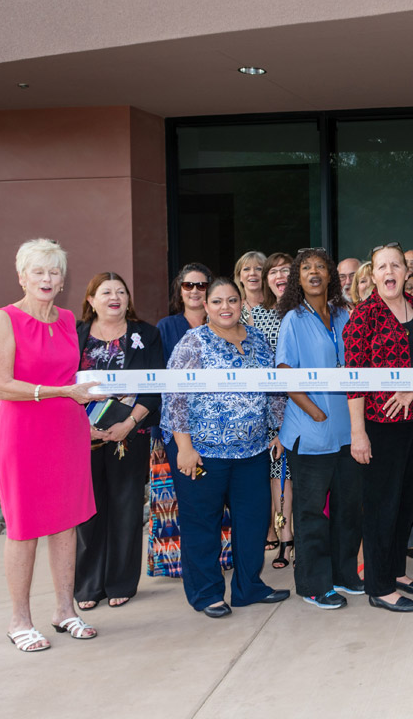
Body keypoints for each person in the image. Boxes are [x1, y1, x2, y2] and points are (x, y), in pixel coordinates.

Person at [0, 239, 99, 651]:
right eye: (39, 272)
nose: (47, 279)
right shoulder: (4, 319)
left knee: (67, 521)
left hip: (66, 429)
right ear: (22, 276)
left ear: (63, 279)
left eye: (54, 272)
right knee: (24, 527)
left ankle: (65, 610)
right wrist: (62, 391)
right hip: (23, 431)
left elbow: (71, 373)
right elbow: (2, 386)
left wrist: (87, 391)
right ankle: (19, 620)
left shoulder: (68, 319)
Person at [161, 277, 289, 617]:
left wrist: (276, 429)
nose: (226, 307)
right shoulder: (194, 342)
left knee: (252, 522)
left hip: (252, 452)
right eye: (217, 301)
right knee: (202, 523)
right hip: (203, 452)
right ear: (206, 306)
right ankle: (207, 594)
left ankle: (249, 587)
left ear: (241, 304)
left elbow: (273, 387)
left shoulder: (259, 340)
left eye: (232, 300)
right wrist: (184, 448)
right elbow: (175, 397)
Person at [344, 242, 413, 613]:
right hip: (379, 424)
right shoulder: (363, 316)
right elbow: (353, 379)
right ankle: (379, 586)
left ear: (405, 271)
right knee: (382, 504)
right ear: (373, 273)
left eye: (395, 266)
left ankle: (396, 570)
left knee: (406, 500)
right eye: (381, 266)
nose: (389, 272)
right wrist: (358, 432)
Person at [275, 248, 363, 609]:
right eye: (306, 269)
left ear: (331, 277)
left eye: (321, 268)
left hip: (347, 432)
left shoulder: (345, 314)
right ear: (298, 278)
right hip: (310, 432)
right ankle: (314, 584)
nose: (314, 273)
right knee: (311, 513)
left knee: (347, 508)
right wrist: (315, 412)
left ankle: (344, 574)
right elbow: (284, 373)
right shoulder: (293, 320)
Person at [75, 272, 164, 611]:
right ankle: (88, 585)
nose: (115, 297)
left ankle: (121, 582)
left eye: (121, 291)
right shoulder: (76, 335)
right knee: (88, 511)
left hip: (131, 432)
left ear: (128, 299)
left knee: (126, 509)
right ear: (91, 300)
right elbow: (63, 384)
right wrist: (84, 428)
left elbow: (156, 385)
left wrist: (129, 422)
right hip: (84, 436)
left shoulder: (147, 334)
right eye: (106, 291)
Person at [150, 263, 233, 578]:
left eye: (202, 285)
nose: (196, 291)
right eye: (189, 285)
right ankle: (181, 565)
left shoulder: (228, 322)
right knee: (182, 502)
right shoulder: (167, 327)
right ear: (179, 290)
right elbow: (160, 381)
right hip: (176, 431)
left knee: (220, 500)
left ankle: (223, 559)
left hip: (221, 430)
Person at [249, 252, 294, 565]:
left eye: (286, 271)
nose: (280, 276)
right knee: (274, 474)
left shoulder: (305, 311)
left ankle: (291, 537)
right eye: (273, 272)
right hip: (265, 407)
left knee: (292, 475)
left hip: (300, 404)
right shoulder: (254, 316)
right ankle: (281, 535)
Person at [234, 250, 267, 318]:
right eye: (246, 269)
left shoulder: (277, 306)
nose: (252, 273)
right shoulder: (233, 307)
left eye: (258, 269)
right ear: (239, 276)